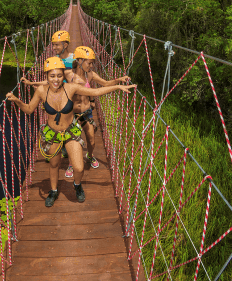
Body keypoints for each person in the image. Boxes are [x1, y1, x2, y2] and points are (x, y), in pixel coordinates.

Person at [7, 57, 136, 207]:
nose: (56, 79)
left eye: (59, 75)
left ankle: (77, 185)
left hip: (70, 132)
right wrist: (17, 100)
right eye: (52, 76)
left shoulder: (71, 88)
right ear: (46, 76)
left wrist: (117, 87)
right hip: (52, 134)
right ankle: (54, 191)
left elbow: (96, 90)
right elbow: (29, 109)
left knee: (79, 167)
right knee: (54, 165)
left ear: (64, 75)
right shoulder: (41, 91)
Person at [64, 46, 131, 178]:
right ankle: (71, 164)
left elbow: (105, 83)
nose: (91, 65)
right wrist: (34, 84)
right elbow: (53, 80)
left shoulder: (90, 75)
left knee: (92, 141)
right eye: (89, 63)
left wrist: (118, 80)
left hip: (87, 113)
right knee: (73, 141)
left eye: (92, 63)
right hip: (73, 114)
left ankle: (89, 155)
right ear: (79, 61)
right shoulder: (69, 75)